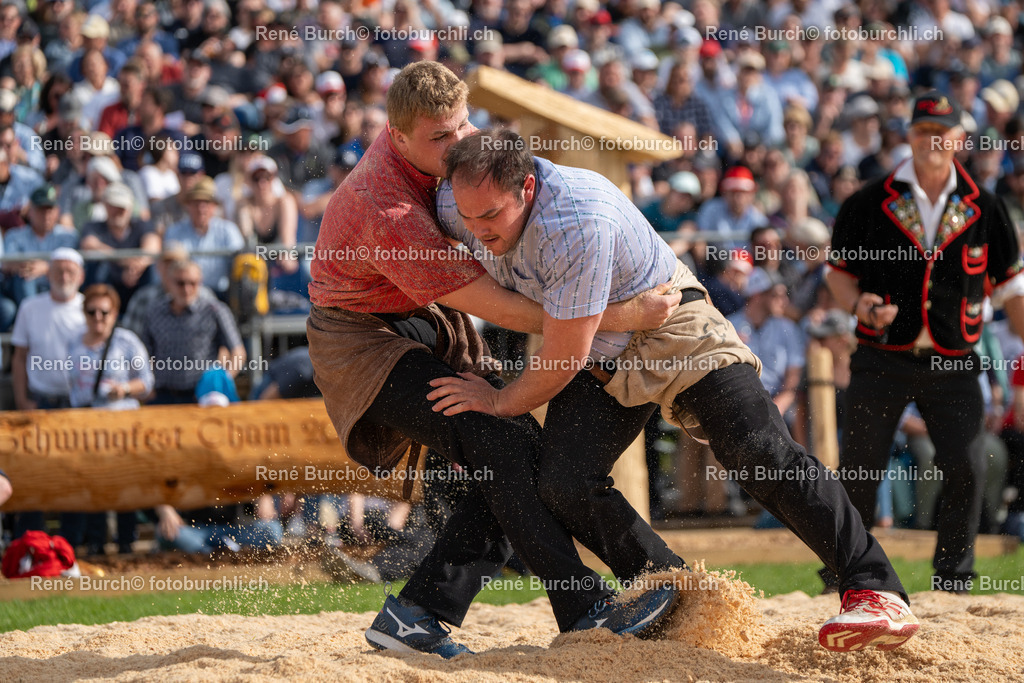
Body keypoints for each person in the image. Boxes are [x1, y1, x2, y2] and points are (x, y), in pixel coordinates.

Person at [432, 127, 920, 653]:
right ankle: (672, 589)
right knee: (563, 483)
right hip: (603, 355)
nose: (477, 230)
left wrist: (499, 401)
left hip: (674, 327)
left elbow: (562, 355)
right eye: (467, 216)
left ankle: (873, 588)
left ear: (527, 188)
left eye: (490, 218)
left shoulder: (577, 219)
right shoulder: (457, 199)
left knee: (759, 453)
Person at [307, 61, 681, 659]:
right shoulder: (387, 210)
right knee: (506, 446)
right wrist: (619, 315)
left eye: (462, 126)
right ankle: (590, 604)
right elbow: (500, 308)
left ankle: (418, 614)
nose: (459, 143)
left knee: (508, 462)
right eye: (440, 137)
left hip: (415, 326)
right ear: (396, 137)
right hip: (361, 342)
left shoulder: (432, 155)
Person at [825, 91, 1024, 595]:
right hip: (880, 357)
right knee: (859, 471)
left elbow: (1012, 288)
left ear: (959, 139)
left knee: (967, 464)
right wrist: (859, 306)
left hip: (956, 360)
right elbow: (839, 276)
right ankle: (847, 577)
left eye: (941, 131)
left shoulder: (987, 207)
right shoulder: (867, 201)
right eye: (920, 131)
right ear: (908, 137)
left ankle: (953, 581)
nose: (930, 140)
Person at [66, 284, 154, 555]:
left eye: (104, 312)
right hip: (89, 422)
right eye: (92, 312)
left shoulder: (126, 341)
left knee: (125, 482)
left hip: (122, 422)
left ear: (114, 313)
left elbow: (147, 382)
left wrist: (124, 389)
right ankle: (96, 542)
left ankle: (126, 541)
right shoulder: (75, 344)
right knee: (94, 483)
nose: (98, 318)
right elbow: (72, 387)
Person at [139, 259, 245, 404]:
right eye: (180, 283)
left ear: (200, 282)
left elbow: (238, 352)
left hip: (202, 395)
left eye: (192, 283)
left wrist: (221, 379)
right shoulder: (154, 312)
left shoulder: (215, 311)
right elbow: (144, 354)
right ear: (169, 282)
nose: (186, 289)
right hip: (163, 394)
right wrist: (146, 382)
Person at [79, 182, 161, 313]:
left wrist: (137, 266)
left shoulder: (143, 225)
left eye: (121, 207)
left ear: (130, 208)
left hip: (136, 283)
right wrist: (127, 261)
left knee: (152, 269)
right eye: (113, 206)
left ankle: (150, 313)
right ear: (105, 206)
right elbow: (89, 245)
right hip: (108, 282)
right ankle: (98, 312)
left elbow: (153, 246)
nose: (117, 211)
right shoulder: (93, 226)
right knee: (99, 266)